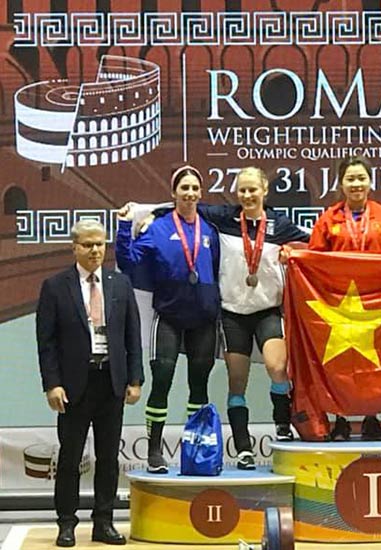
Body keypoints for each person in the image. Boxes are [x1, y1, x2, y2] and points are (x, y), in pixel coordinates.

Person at [192, 166, 310, 469]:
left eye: (252, 189)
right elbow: (185, 205)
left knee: (277, 368)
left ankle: (282, 424)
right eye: (242, 190)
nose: (247, 195)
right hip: (233, 313)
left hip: (268, 309)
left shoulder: (279, 224)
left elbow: (315, 242)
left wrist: (294, 252)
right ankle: (244, 449)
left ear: (264, 191)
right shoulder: (224, 218)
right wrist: (142, 213)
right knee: (237, 381)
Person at [36, 219, 143, 547]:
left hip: (111, 381)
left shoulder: (120, 284)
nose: (95, 250)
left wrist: (135, 378)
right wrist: (52, 384)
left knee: (108, 458)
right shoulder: (55, 286)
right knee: (70, 458)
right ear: (74, 247)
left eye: (99, 244)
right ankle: (67, 523)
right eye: (87, 245)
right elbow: (46, 342)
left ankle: (104, 522)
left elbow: (132, 335)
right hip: (73, 386)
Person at [116, 165, 220, 474]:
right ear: (173, 193)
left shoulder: (209, 230)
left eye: (194, 188)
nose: (190, 193)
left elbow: (215, 269)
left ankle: (196, 449)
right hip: (169, 316)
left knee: (199, 386)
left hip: (203, 319)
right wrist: (125, 227)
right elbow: (128, 262)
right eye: (184, 188)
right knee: (162, 379)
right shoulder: (158, 228)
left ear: (200, 193)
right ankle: (154, 450)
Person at [308, 155, 381, 441]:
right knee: (340, 363)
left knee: (372, 362)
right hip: (338, 304)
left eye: (361, 178)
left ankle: (371, 418)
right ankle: (340, 419)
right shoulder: (328, 219)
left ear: (370, 182)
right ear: (341, 184)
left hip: (375, 303)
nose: (356, 184)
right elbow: (314, 258)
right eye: (350, 179)